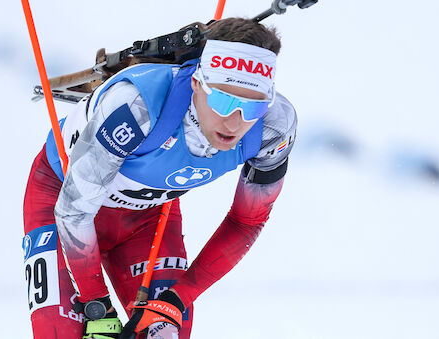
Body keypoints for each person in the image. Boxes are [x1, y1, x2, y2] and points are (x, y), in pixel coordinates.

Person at [23, 17, 297, 339]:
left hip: (147, 219)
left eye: (253, 108)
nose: (235, 122)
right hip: (61, 201)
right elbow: (74, 211)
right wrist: (97, 306)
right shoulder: (139, 106)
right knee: (61, 333)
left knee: (165, 333)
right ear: (197, 83)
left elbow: (246, 222)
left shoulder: (273, 129)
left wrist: (176, 298)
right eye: (223, 101)